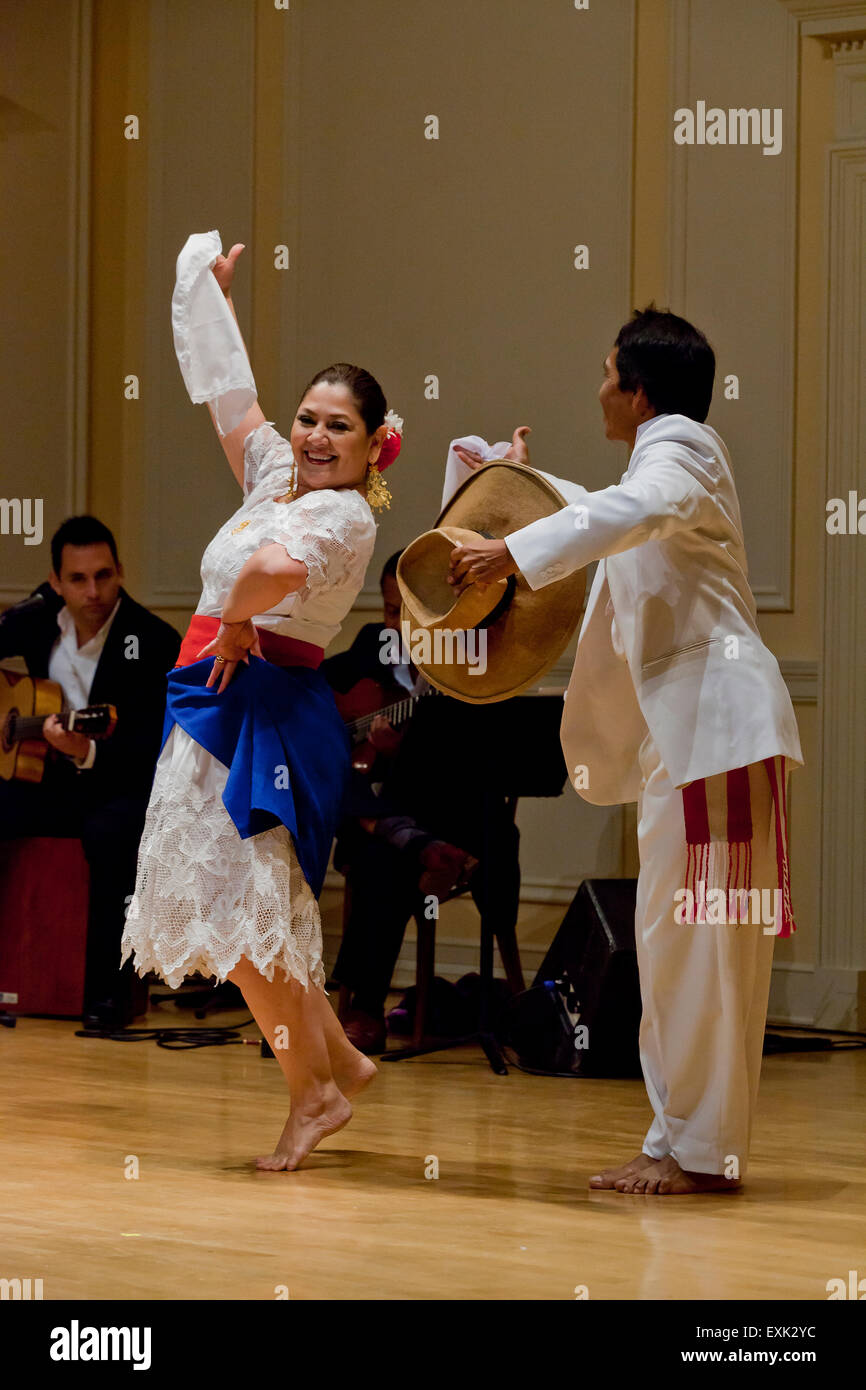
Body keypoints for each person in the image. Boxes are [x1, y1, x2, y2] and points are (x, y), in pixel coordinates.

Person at [447, 306, 802, 1195]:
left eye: (608, 373)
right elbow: (615, 516)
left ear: (640, 393)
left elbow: (631, 510)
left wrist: (512, 548)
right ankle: (676, 1141)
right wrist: (515, 487)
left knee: (708, 948)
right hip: (699, 744)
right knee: (676, 942)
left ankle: (702, 1155)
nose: (598, 387)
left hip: (721, 738)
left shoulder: (682, 451)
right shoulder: (665, 465)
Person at [120, 240, 400, 1171]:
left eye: (339, 428)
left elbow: (270, 573)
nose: (316, 438)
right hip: (217, 696)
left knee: (249, 919)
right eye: (309, 420)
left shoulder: (346, 516)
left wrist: (237, 618)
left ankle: (313, 1093)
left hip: (268, 710)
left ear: (372, 446)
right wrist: (204, 292)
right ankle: (340, 1065)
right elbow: (229, 395)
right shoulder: (278, 473)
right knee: (245, 909)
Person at [0, 516, 181, 1029]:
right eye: (77, 579)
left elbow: (151, 745)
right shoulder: (34, 623)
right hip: (45, 779)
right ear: (55, 582)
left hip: (120, 784)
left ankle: (108, 994)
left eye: (104, 575)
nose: (93, 591)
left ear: (120, 571)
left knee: (109, 833)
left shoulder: (151, 640)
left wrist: (86, 751)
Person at [323, 549, 504, 1053]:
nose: (398, 625)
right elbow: (320, 709)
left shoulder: (471, 665)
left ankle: (363, 1007)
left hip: (454, 816)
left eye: (409, 611)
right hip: (388, 815)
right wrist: (367, 749)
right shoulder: (369, 648)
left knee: (379, 857)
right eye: (389, 611)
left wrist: (404, 758)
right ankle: (408, 841)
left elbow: (481, 765)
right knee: (326, 773)